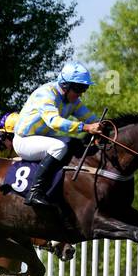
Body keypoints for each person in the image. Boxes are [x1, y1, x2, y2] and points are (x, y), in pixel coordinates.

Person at [14, 62, 105, 207]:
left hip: (44, 138)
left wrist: (104, 126)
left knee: (74, 143)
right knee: (60, 146)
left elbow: (90, 117)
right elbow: (54, 122)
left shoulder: (73, 100)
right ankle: (34, 192)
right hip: (24, 141)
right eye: (79, 89)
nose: (81, 93)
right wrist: (86, 127)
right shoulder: (46, 94)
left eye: (84, 89)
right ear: (65, 86)